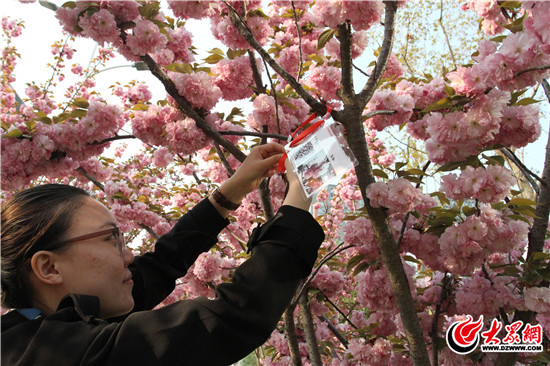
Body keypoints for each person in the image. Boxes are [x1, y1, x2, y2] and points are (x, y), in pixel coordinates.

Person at [1, 142, 324, 366]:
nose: (128, 256)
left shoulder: (43, 330)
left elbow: (161, 263)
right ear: (49, 267)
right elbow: (230, 318)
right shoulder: (55, 354)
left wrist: (234, 189)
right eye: (111, 240)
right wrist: (298, 201)